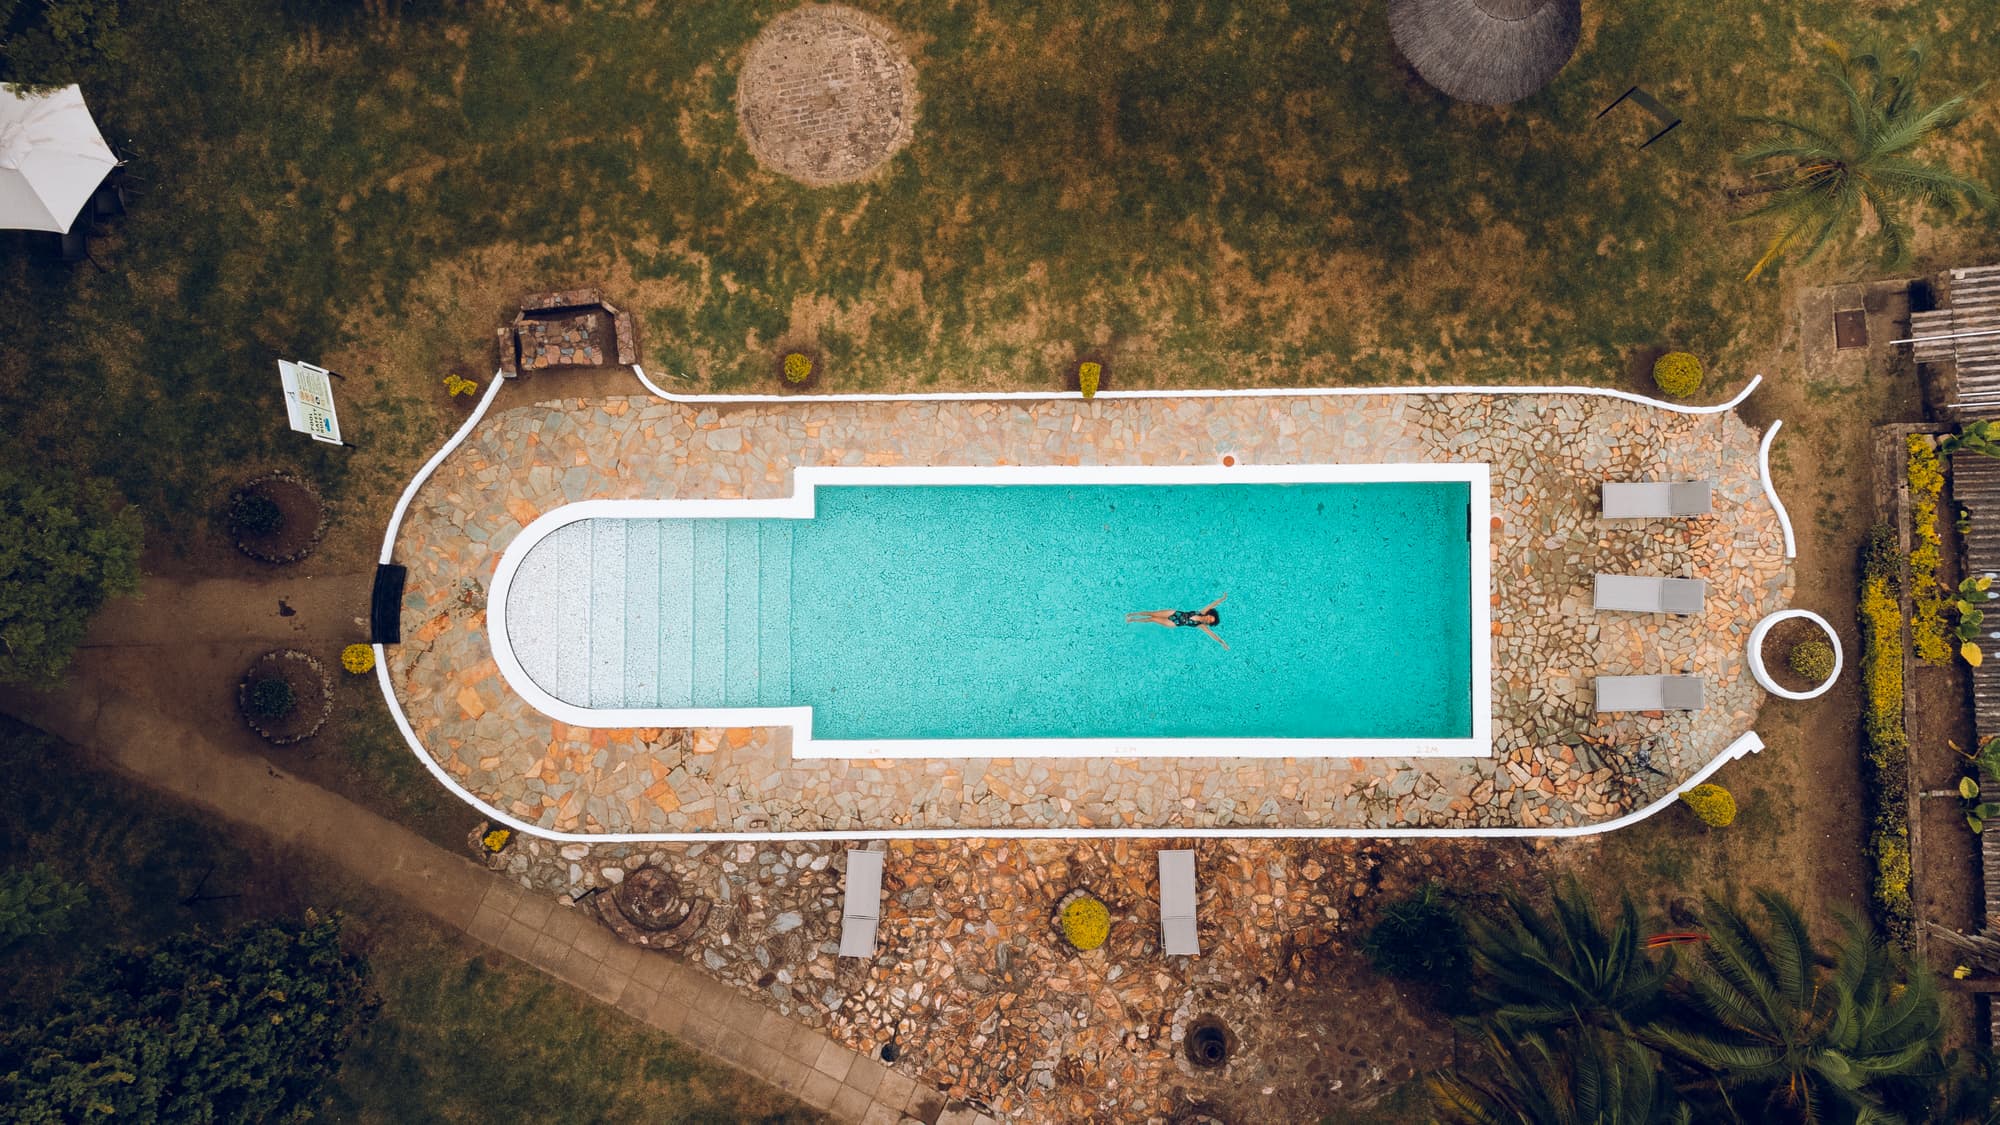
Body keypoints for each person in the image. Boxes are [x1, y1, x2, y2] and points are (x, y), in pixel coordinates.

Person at [1126, 594, 1228, 649]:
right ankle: (1133, 614)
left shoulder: (1201, 626)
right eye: (1211, 617)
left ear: (1209, 623)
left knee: (1152, 619)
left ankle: (1133, 620)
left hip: (1174, 623)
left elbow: (1212, 635)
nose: (1209, 619)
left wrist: (1222, 642)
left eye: (1210, 621)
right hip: (1175, 613)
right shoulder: (1202, 612)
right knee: (1152, 613)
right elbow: (1212, 604)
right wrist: (1222, 599)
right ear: (1209, 614)